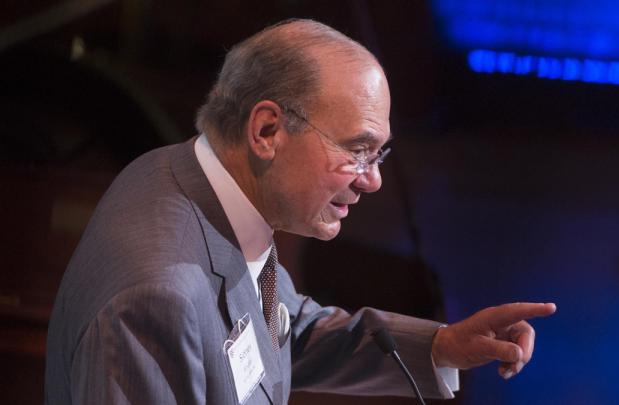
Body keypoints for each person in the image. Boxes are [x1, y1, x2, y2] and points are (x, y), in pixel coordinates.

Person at [45, 19, 556, 404]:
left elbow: (279, 330)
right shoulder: (156, 297)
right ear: (267, 131)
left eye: (379, 155)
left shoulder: (193, 180)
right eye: (357, 150)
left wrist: (440, 346)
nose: (372, 178)